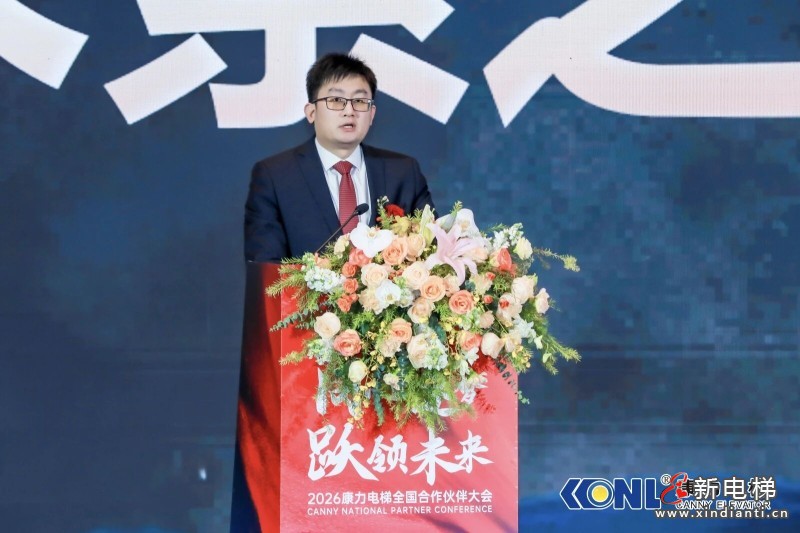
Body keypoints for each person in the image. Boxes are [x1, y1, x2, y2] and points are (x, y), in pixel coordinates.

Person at [244, 53, 436, 262]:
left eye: (359, 101)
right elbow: (266, 267)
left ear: (371, 114)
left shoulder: (403, 173)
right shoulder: (276, 176)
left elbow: (432, 253)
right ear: (311, 112)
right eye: (336, 100)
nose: (349, 111)